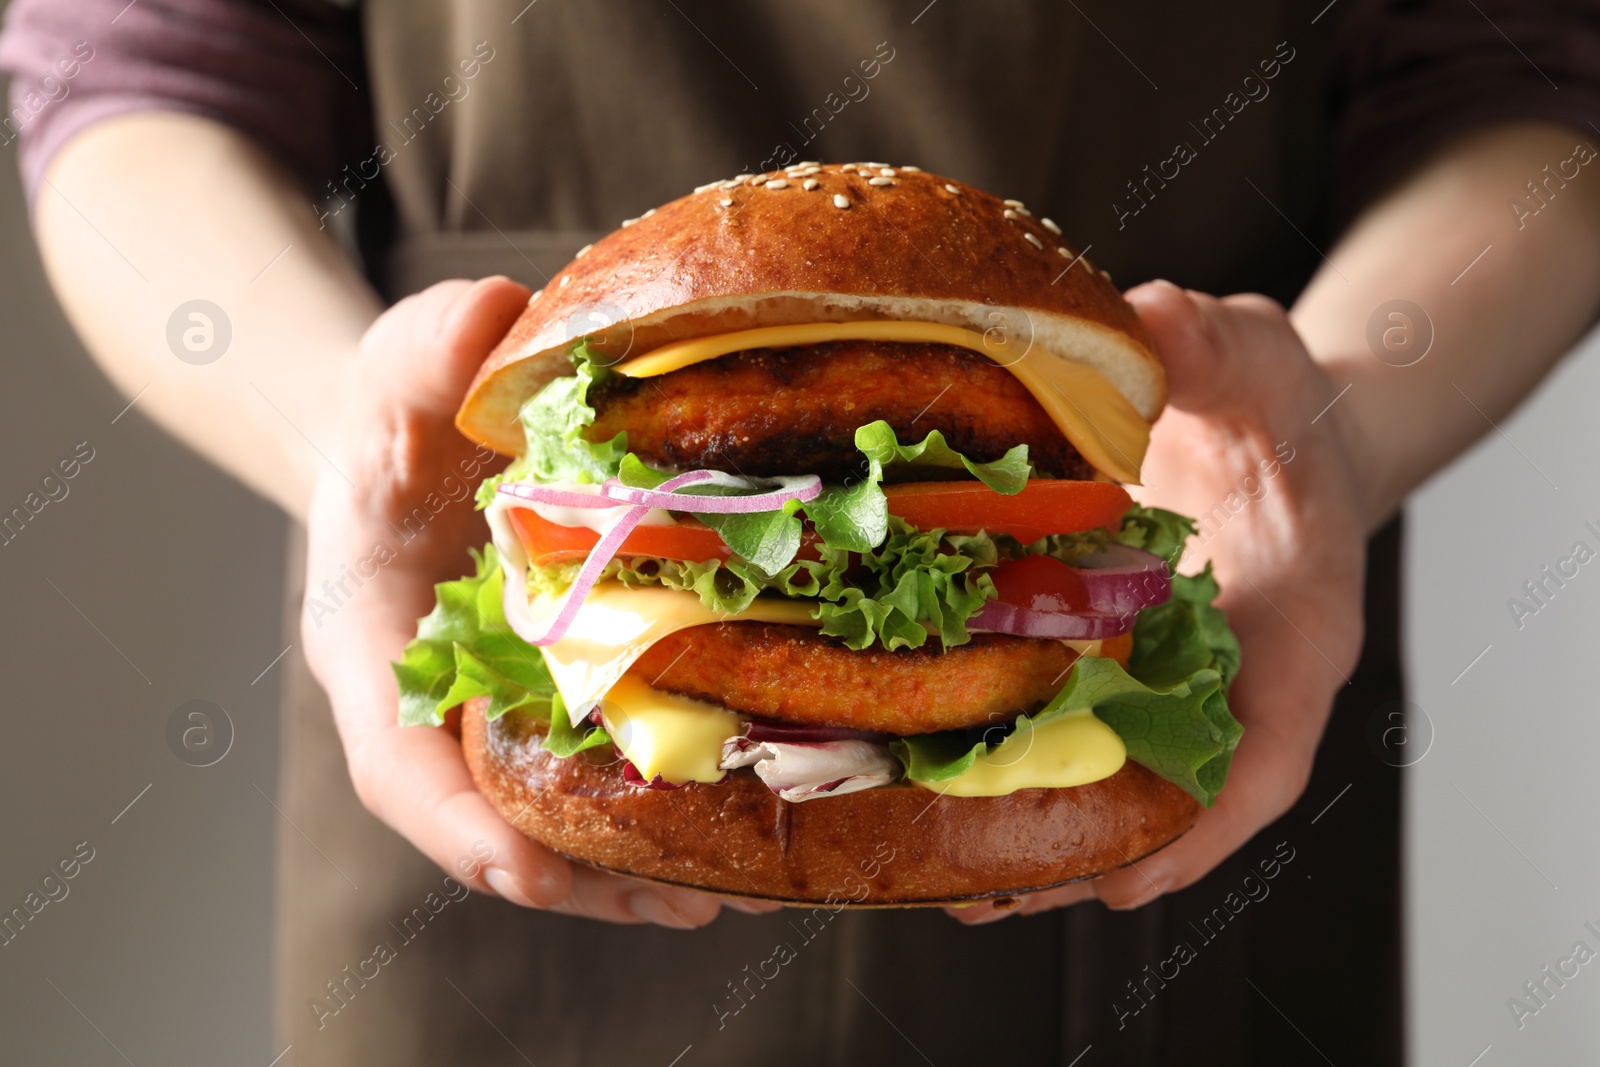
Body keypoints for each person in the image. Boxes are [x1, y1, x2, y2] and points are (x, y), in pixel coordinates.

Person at [4, 1, 1598, 1063]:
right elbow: (138, 71)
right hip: (490, 740)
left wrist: (1326, 429)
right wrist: (351, 434)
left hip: (1200, 593)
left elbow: (1526, 73)